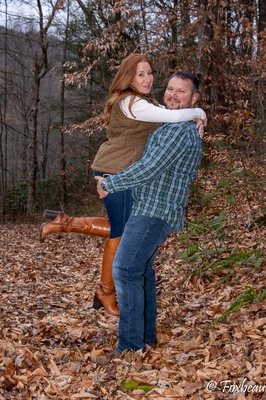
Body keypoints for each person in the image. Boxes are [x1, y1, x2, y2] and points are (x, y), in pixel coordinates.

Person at [39, 53, 206, 317]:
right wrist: (199, 112)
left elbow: (168, 115)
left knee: (123, 229)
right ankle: (105, 291)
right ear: (128, 77)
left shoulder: (143, 102)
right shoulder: (131, 102)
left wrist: (192, 115)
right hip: (116, 170)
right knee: (122, 232)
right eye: (140, 74)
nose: (148, 78)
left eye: (150, 73)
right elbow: (173, 117)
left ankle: (65, 224)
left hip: (120, 169)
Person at [95, 71, 203, 355]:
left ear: (194, 99)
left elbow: (148, 169)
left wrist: (111, 184)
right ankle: (146, 337)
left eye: (181, 91)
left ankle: (130, 347)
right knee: (140, 271)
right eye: (170, 89)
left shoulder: (179, 132)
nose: (172, 95)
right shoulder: (171, 124)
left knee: (125, 269)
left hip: (155, 210)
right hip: (149, 208)